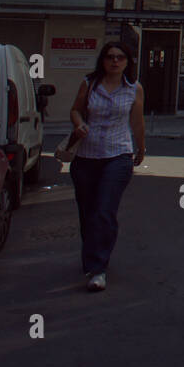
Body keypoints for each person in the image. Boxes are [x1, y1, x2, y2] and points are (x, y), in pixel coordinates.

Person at [68, 41, 145, 292]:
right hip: (87, 157)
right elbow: (75, 110)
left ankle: (98, 268)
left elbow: (137, 122)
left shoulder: (134, 89)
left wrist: (140, 148)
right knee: (88, 212)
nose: (115, 61)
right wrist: (78, 123)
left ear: (127, 62)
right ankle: (91, 258)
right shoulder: (89, 84)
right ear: (102, 60)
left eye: (120, 57)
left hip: (118, 155)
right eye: (110, 57)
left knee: (104, 210)